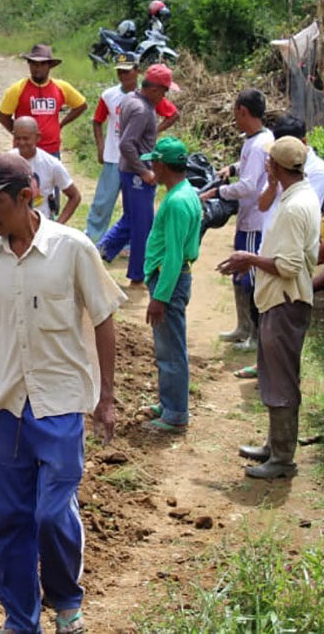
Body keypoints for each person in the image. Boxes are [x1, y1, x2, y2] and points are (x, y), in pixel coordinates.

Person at [0, 152, 122, 634]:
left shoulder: (72, 249)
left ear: (26, 197)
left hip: (61, 402)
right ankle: (19, 621)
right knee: (8, 522)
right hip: (9, 404)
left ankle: (67, 605)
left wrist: (106, 397)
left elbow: (104, 316)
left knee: (52, 515)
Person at [218, 136, 321, 479]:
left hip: (285, 301)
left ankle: (281, 459)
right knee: (274, 376)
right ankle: (274, 446)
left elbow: (289, 266)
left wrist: (249, 259)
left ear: (275, 166)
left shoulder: (294, 207)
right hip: (280, 301)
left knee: (281, 381)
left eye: (268, 163)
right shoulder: (297, 195)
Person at [235, 114, 324, 379]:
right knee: (264, 305)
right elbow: (264, 204)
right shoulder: (281, 168)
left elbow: (290, 261)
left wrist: (250, 258)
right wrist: (274, 181)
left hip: (290, 244)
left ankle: (276, 376)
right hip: (273, 238)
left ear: (302, 143)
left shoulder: (315, 175)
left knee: (282, 314)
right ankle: (265, 366)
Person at [202, 89, 273, 352]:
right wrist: (232, 168)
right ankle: (242, 327)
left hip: (255, 219)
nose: (235, 119)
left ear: (243, 111)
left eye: (236, 113)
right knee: (238, 272)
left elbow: (247, 186)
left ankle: (254, 333)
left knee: (250, 276)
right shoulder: (260, 139)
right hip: (248, 217)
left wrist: (217, 192)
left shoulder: (257, 145)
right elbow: (248, 169)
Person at [141, 138, 203, 433]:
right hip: (170, 278)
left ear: (161, 165)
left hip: (170, 280)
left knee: (171, 349)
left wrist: (160, 297)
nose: (151, 166)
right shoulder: (185, 192)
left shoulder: (178, 202)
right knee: (167, 347)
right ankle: (169, 402)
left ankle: (175, 413)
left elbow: (174, 254)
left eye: (153, 161)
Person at [98, 64, 178, 286]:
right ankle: (137, 275)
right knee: (142, 224)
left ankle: (101, 251)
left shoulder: (132, 99)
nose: (164, 96)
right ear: (153, 90)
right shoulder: (142, 110)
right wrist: (144, 171)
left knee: (132, 219)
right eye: (164, 91)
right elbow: (126, 144)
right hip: (136, 174)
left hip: (129, 171)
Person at [85, 53, 179, 243]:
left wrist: (153, 131)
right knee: (103, 202)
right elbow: (97, 121)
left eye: (127, 71)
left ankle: (125, 243)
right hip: (113, 156)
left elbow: (173, 114)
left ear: (137, 72)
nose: (123, 75)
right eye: (120, 71)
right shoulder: (110, 95)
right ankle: (93, 237)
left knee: (134, 206)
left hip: (136, 159)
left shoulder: (150, 95)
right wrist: (100, 147)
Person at [0, 44, 87, 157]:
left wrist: (61, 124)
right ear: (29, 64)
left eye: (42, 64)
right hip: (24, 151)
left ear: (49, 66)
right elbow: (3, 117)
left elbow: (81, 105)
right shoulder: (17, 89)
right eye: (33, 63)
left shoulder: (61, 87)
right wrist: (21, 136)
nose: (37, 68)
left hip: (52, 150)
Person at [10, 116, 81, 223]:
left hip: (40, 225)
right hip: (12, 223)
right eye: (18, 138)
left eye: (26, 138)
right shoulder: (7, 161)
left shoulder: (51, 164)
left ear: (37, 137)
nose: (21, 142)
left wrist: (58, 226)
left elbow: (75, 196)